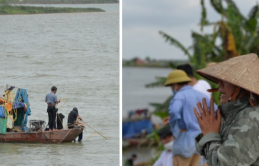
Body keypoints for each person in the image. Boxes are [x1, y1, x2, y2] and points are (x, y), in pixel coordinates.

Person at [194, 53, 259, 166]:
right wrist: (210, 134)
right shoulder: (237, 114)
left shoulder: (249, 118)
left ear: (241, 88)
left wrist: (210, 134)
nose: (219, 85)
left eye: (226, 80)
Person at [164, 69, 213, 166]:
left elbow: (174, 111)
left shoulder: (179, 96)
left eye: (171, 86)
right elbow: (215, 111)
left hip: (184, 139)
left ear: (175, 85)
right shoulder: (202, 95)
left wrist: (175, 130)